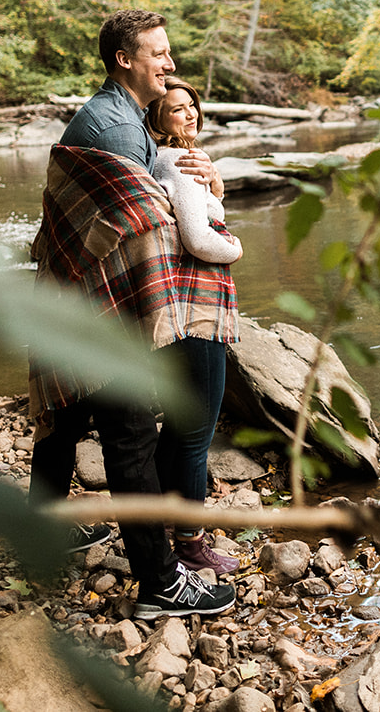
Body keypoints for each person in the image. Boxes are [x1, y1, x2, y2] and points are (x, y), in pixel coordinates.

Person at [28, 9, 237, 618]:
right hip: (100, 302)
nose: (170, 64)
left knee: (65, 416)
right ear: (126, 59)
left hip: (73, 292)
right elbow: (153, 225)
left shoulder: (127, 120)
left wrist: (197, 178)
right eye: (160, 53)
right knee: (129, 433)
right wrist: (209, 210)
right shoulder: (114, 127)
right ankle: (160, 585)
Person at [143, 76, 242, 574]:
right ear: (157, 118)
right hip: (196, 300)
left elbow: (200, 208)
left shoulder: (177, 158)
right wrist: (237, 248)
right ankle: (190, 540)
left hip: (186, 298)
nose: (190, 114)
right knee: (197, 428)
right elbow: (200, 238)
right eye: (177, 109)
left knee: (184, 424)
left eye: (193, 106)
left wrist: (217, 187)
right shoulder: (176, 159)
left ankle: (164, 521)